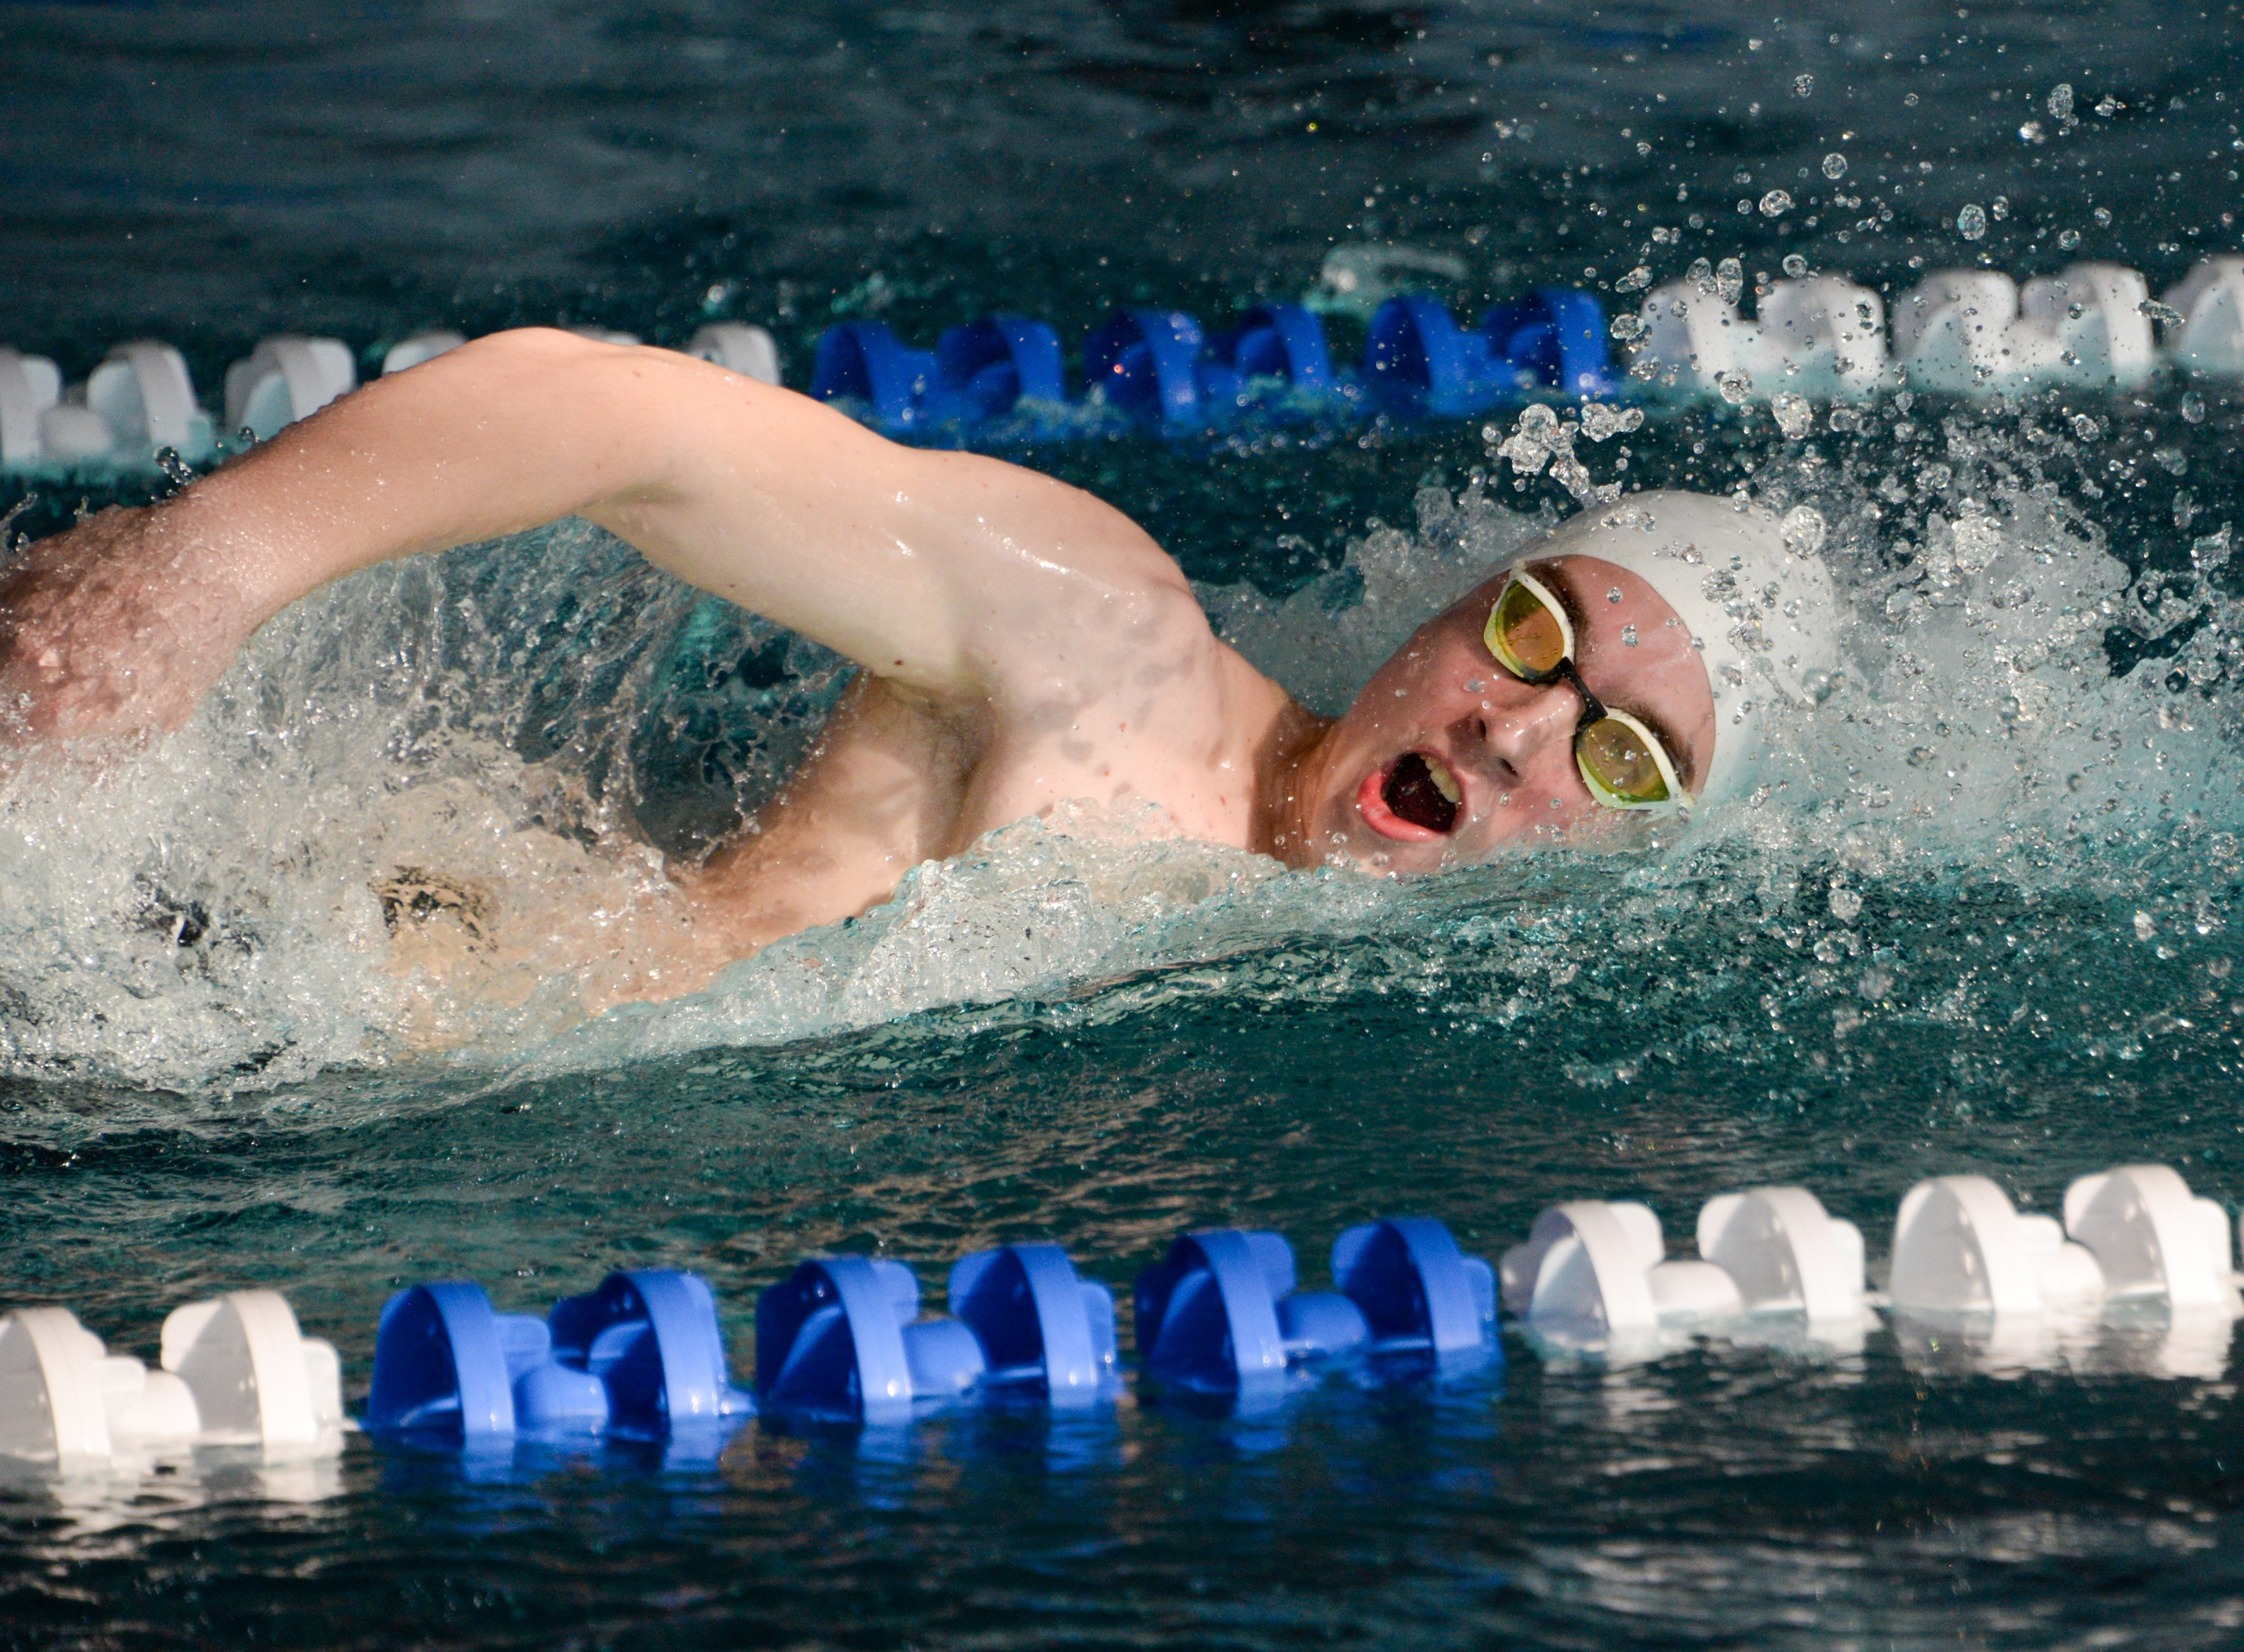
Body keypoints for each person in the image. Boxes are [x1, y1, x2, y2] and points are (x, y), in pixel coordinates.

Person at [0, 329, 1837, 1002]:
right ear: (1443, 613)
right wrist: (201, 567)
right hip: (292, 969)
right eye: (1531, 630)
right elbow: (639, 419)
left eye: (1622, 762)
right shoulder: (1108, 646)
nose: (1517, 726)